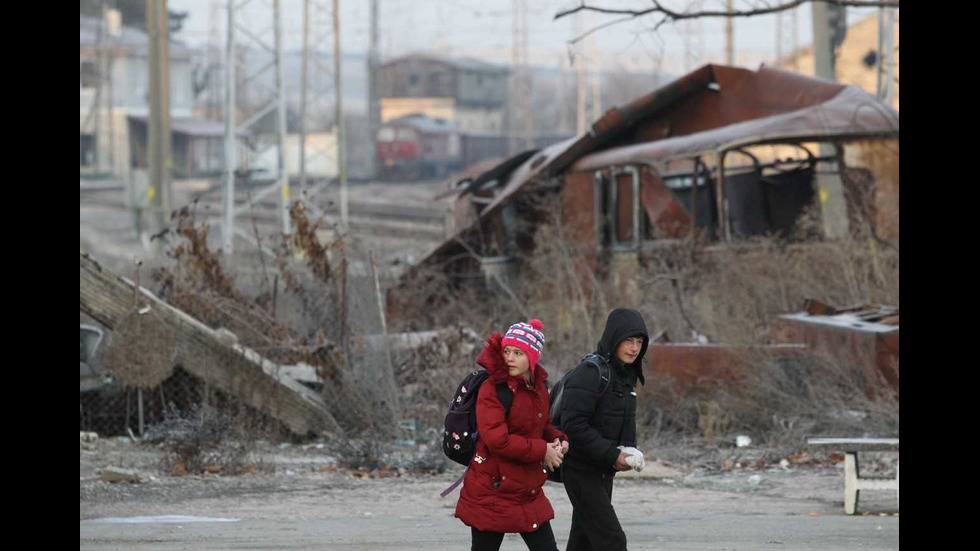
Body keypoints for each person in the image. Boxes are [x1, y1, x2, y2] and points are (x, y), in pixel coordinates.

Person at [455, 319, 569, 551]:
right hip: (492, 487)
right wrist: (542, 451)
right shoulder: (492, 388)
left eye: (518, 353)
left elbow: (542, 423)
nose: (509, 358)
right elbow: (497, 440)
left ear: (533, 357)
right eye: (507, 351)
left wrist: (557, 439)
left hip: (527, 486)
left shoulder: (538, 386)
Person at [557, 308, 649, 551]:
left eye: (639, 341)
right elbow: (573, 426)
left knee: (583, 541)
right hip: (580, 469)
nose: (634, 347)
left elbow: (624, 420)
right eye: (628, 340)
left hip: (601, 470)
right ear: (614, 337)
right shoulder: (590, 372)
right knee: (612, 540)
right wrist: (612, 455)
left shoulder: (625, 374)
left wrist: (629, 451)